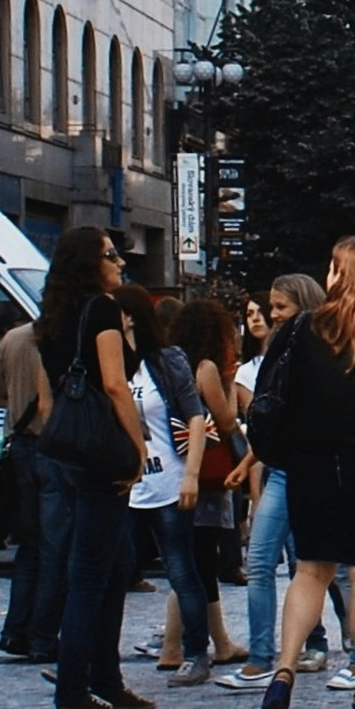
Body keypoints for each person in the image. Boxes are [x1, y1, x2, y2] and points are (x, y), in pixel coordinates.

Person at [254, 239, 355, 709]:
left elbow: (270, 389)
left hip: (310, 462)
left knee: (310, 572)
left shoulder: (304, 329)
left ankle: (283, 671)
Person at [36, 226, 149, 709]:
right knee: (91, 575)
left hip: (70, 450)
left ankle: (103, 678)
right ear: (90, 261)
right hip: (102, 451)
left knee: (111, 565)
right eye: (111, 254)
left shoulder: (53, 317)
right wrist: (138, 447)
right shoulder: (100, 309)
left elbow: (50, 396)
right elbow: (114, 383)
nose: (120, 262)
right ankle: (75, 690)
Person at [221, 273, 333, 692]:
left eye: (280, 307)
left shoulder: (316, 351)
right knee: (262, 560)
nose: (272, 315)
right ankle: (262, 657)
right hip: (282, 467)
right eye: (271, 308)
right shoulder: (278, 353)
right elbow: (273, 421)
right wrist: (252, 459)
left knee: (325, 566)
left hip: (310, 466)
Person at [123, 288, 219, 685]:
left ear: (131, 319)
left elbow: (196, 416)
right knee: (111, 573)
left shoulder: (166, 360)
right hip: (126, 486)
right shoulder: (110, 365)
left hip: (167, 481)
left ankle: (196, 652)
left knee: (181, 568)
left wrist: (192, 474)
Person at [166, 294, 251, 669]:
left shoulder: (170, 365)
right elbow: (226, 418)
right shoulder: (205, 368)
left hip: (176, 468)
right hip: (208, 473)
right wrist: (230, 382)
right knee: (200, 559)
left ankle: (207, 641)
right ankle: (183, 644)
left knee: (189, 559)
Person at [0, 310, 57, 660]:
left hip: (20, 447)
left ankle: (16, 629)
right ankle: (43, 635)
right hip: (53, 449)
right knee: (53, 548)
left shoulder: (13, 338)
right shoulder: (63, 338)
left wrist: (19, 399)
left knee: (30, 547)